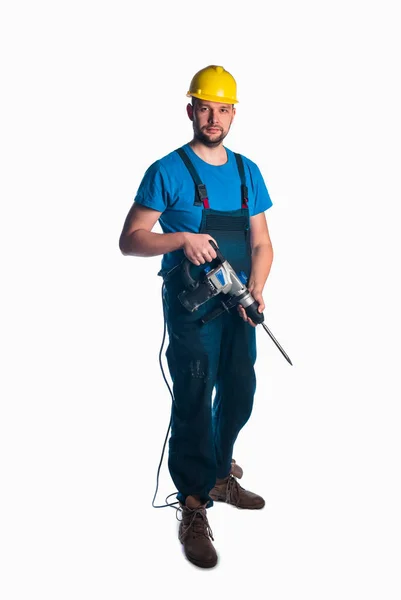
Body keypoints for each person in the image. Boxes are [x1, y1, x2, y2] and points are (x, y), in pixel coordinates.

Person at [119, 65, 274, 569]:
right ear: (191, 110)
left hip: (237, 307)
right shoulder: (166, 170)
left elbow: (261, 242)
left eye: (223, 109)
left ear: (233, 114)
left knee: (239, 389)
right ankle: (192, 504)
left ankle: (218, 472)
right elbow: (131, 238)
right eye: (204, 107)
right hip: (191, 308)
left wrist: (257, 288)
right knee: (193, 393)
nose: (214, 117)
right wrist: (180, 240)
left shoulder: (249, 170)